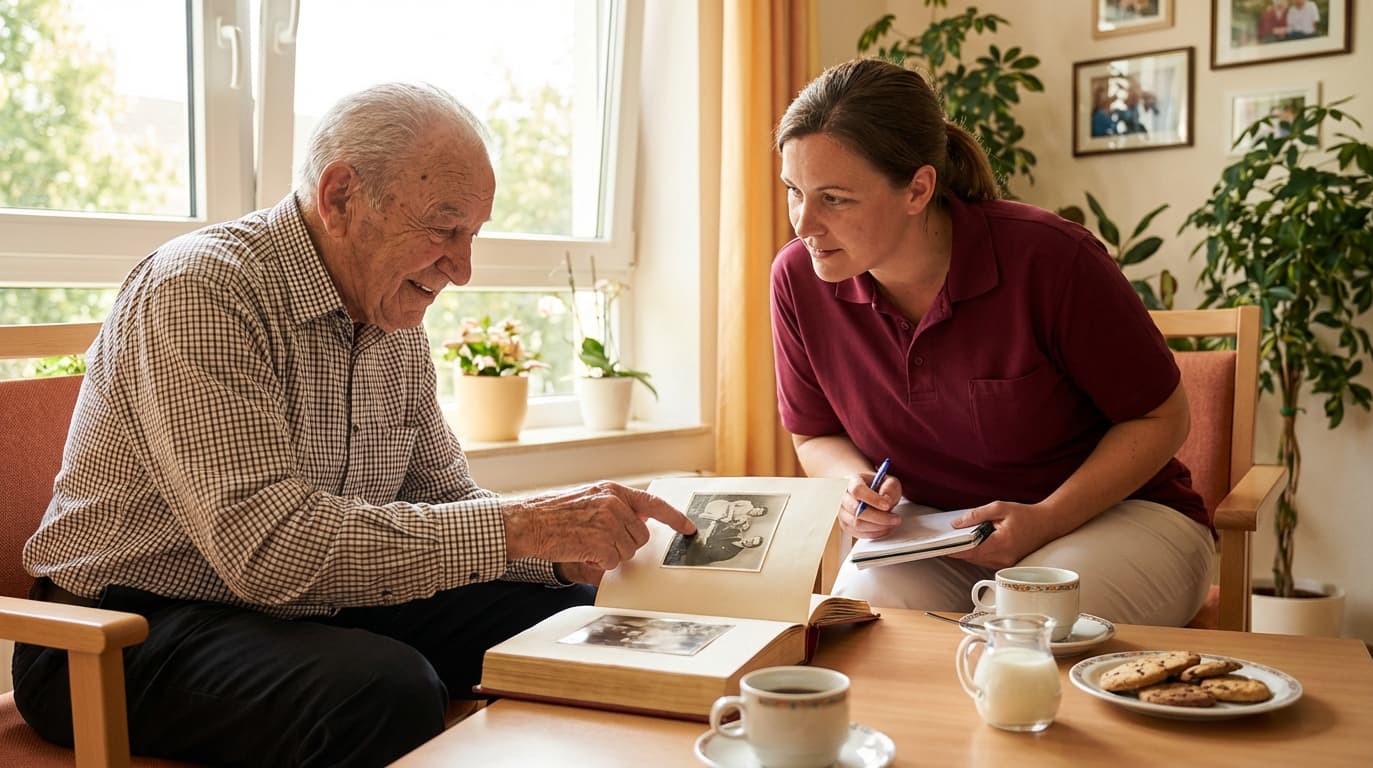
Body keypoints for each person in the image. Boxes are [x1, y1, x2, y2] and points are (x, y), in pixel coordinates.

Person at [15, 82, 695, 767]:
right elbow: (269, 549)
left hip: (303, 604)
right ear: (340, 197)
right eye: (444, 228)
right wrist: (520, 525)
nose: (462, 269)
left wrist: (556, 550)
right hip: (117, 632)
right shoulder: (200, 290)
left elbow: (445, 498)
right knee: (381, 691)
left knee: (579, 619)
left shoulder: (390, 316)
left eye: (472, 236)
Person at [769, 58, 1213, 628]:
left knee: (1022, 629)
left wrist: (1047, 518)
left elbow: (1162, 417)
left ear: (918, 189)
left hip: (1122, 518)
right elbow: (814, 432)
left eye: (834, 198)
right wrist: (850, 487)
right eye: (793, 191)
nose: (803, 224)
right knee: (860, 621)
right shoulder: (798, 280)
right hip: (939, 533)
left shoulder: (1052, 259)